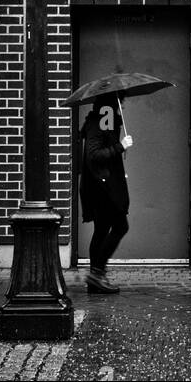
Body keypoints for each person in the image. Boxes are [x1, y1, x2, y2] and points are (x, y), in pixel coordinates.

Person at [79, 94, 131, 294]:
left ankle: (95, 279)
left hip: (100, 186)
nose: (123, 107)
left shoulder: (105, 122)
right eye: (121, 102)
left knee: (101, 230)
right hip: (102, 188)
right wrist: (120, 146)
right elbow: (94, 155)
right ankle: (97, 273)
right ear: (110, 105)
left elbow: (103, 150)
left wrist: (118, 148)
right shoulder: (99, 123)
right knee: (120, 226)